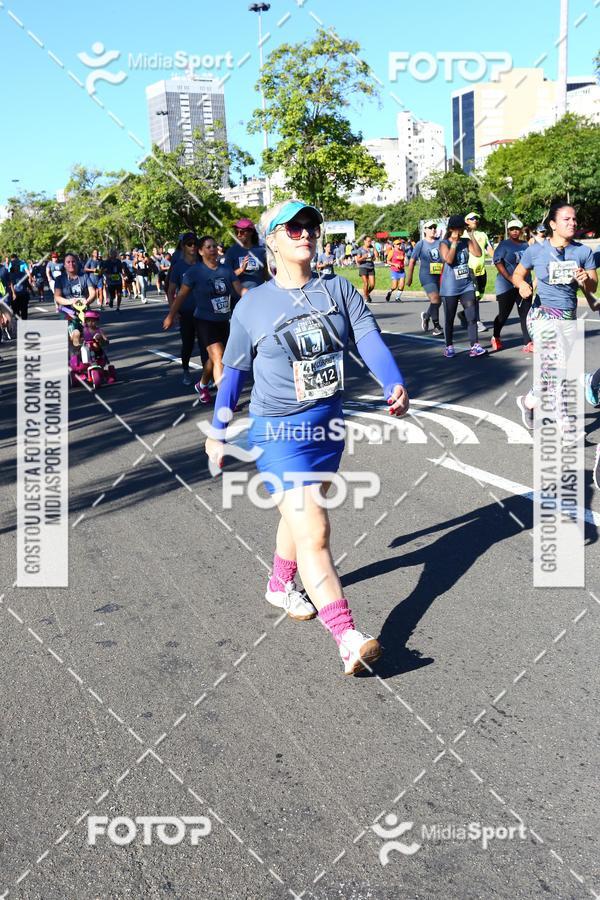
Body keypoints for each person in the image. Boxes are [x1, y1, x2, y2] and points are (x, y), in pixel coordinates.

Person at [203, 199, 409, 675]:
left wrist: (392, 381)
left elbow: (369, 339)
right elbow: (232, 375)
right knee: (314, 529)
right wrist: (218, 431)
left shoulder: (338, 289)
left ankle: (279, 584)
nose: (304, 233)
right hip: (277, 431)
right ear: (271, 240)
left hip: (327, 427)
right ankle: (347, 636)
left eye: (310, 225)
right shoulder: (252, 306)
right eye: (292, 227)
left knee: (300, 517)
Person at [512, 201, 597, 428]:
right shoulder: (536, 250)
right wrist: (522, 285)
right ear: (552, 224)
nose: (572, 223)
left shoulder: (583, 251)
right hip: (541, 314)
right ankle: (564, 419)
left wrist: (585, 281)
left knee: (553, 370)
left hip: (567, 316)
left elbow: (593, 288)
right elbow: (518, 274)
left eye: (574, 219)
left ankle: (528, 401)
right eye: (566, 219)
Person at [162, 235, 245, 403]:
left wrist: (261, 298)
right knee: (219, 356)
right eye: (208, 247)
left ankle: (202, 384)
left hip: (223, 321)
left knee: (214, 360)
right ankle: (225, 402)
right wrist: (171, 315)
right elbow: (181, 295)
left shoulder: (226, 270)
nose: (212, 249)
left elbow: (241, 290)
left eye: (214, 246)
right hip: (204, 321)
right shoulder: (194, 272)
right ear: (200, 251)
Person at [439, 215, 486, 358]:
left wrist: (471, 235)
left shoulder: (466, 241)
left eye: (462, 228)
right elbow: (448, 259)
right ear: (451, 229)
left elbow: (478, 254)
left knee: (471, 316)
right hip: (450, 287)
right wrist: (454, 242)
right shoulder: (444, 243)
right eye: (457, 228)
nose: (460, 231)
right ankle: (449, 346)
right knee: (449, 318)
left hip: (466, 285)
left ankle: (475, 345)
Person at [166, 233, 209, 386]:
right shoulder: (178, 266)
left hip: (204, 311)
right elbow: (170, 291)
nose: (193, 247)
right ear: (183, 246)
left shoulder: (203, 263)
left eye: (195, 244)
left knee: (206, 345)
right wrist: (174, 311)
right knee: (188, 344)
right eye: (189, 244)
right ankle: (186, 370)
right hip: (186, 311)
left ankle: (206, 376)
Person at [490, 220, 533, 352]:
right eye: (512, 229)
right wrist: (510, 278)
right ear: (508, 230)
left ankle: (528, 343)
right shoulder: (504, 245)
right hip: (506, 284)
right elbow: (498, 262)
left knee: (525, 314)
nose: (514, 231)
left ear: (521, 230)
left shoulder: (526, 245)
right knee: (503, 314)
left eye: (517, 229)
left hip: (524, 284)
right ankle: (495, 336)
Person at [407, 222, 443, 336]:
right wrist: (409, 277)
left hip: (439, 275)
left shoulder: (440, 242)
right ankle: (437, 326)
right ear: (425, 230)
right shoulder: (420, 244)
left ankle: (426, 316)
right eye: (430, 228)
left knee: (438, 300)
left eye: (434, 227)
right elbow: (412, 261)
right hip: (426, 275)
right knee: (435, 299)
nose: (433, 229)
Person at [54, 253, 96, 350]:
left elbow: (93, 293)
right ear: (64, 265)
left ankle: (96, 353)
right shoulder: (59, 279)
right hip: (68, 312)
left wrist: (87, 301)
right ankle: (75, 351)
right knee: (74, 334)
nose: (71, 264)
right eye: (68, 262)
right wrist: (70, 302)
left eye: (73, 261)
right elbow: (57, 297)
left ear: (77, 263)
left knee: (94, 335)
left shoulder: (84, 276)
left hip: (84, 311)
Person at [224, 218, 268, 296]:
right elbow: (226, 277)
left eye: (242, 232)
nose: (238, 235)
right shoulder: (231, 252)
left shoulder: (262, 251)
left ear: (251, 232)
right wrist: (241, 269)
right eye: (236, 232)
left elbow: (266, 275)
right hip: (239, 299)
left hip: (259, 296)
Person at [8, 255, 30, 319]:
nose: (16, 266)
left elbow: (27, 284)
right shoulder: (10, 275)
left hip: (23, 295)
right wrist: (13, 293)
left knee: (24, 312)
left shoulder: (23, 274)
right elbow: (9, 284)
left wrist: (28, 291)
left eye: (17, 265)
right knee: (16, 312)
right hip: (15, 296)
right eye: (14, 265)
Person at [356, 236, 376, 303]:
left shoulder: (371, 249)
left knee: (372, 285)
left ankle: (366, 294)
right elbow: (358, 260)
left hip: (371, 267)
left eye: (370, 241)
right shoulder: (360, 249)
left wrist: (373, 256)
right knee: (366, 283)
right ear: (364, 241)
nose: (369, 242)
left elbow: (374, 258)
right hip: (363, 267)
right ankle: (366, 297)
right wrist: (363, 257)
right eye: (368, 241)